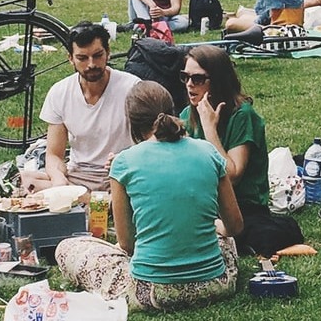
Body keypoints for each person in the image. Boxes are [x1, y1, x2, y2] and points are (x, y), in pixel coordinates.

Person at [55, 82, 243, 311]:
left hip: (151, 291)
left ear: (131, 122)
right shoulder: (209, 152)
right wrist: (216, 226)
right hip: (215, 284)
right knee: (224, 240)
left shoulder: (124, 162)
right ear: (173, 110)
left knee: (67, 247)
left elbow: (127, 244)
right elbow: (234, 227)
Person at [178, 48, 290, 255]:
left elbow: (233, 175)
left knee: (258, 236)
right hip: (204, 204)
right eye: (185, 77)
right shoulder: (187, 115)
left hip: (242, 207)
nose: (189, 85)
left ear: (218, 80)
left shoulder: (242, 115)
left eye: (198, 79)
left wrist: (210, 130)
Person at [41, 24, 143, 191]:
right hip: (79, 176)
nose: (91, 64)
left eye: (97, 56)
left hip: (121, 174)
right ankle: (88, 200)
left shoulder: (132, 88)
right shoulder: (59, 92)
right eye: (82, 58)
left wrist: (124, 163)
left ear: (108, 53)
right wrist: (59, 180)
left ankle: (91, 202)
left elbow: (148, 144)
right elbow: (53, 155)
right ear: (70, 58)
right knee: (28, 181)